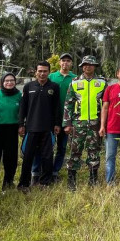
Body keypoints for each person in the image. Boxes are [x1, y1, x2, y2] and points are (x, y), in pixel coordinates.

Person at [64, 56, 107, 189]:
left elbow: (107, 104)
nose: (87, 67)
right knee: (74, 151)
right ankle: (71, 180)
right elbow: (68, 104)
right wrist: (67, 123)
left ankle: (93, 179)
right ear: (82, 66)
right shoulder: (75, 82)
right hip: (78, 124)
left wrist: (104, 125)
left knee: (94, 151)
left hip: (95, 124)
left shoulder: (102, 82)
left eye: (90, 64)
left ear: (95, 66)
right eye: (85, 64)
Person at [18, 62, 62, 190]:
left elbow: (56, 107)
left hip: (48, 128)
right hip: (31, 128)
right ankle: (23, 184)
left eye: (45, 71)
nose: (42, 73)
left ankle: (45, 183)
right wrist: (21, 124)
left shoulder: (54, 86)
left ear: (49, 72)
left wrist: (57, 124)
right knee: (27, 157)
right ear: (35, 72)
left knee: (47, 156)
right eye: (40, 71)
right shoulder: (28, 86)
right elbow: (23, 107)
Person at [46, 53, 76, 181]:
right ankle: (45, 170)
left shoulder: (75, 78)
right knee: (48, 145)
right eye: (63, 61)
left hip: (67, 118)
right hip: (51, 117)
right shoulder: (51, 76)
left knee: (62, 146)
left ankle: (55, 171)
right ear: (59, 63)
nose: (65, 63)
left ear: (71, 63)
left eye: (68, 61)